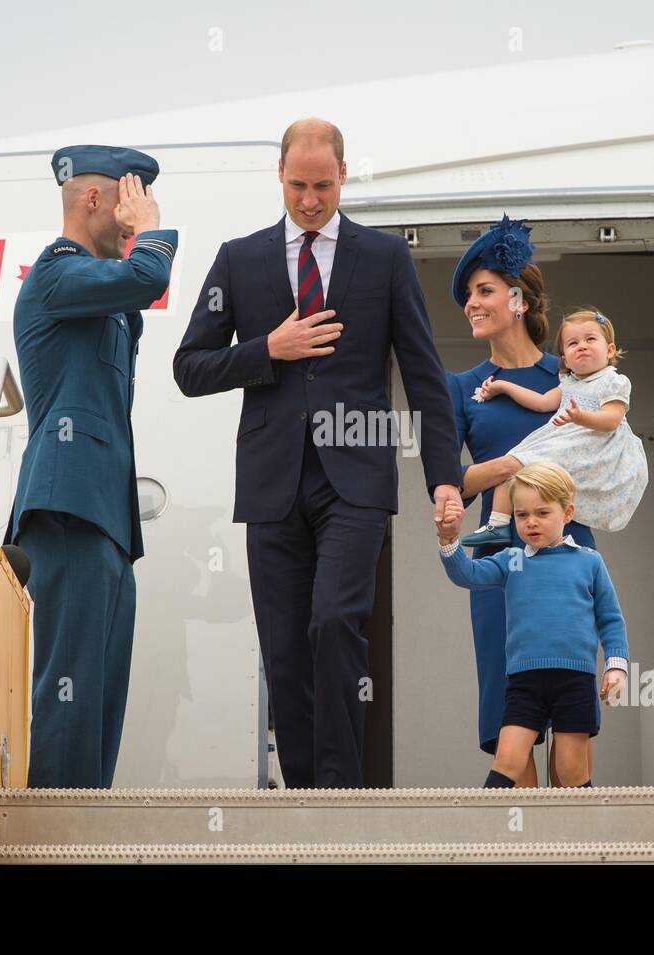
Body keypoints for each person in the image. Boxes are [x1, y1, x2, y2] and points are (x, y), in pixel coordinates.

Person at [172, 118, 463, 788]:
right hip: (272, 482)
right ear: (280, 175)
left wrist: (444, 479)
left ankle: (338, 794)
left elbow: (423, 373)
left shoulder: (384, 258)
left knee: (334, 622)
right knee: (283, 651)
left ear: (343, 175)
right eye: (299, 185)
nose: (310, 199)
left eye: (324, 185)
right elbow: (191, 367)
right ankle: (302, 797)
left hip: (354, 480)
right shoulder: (237, 259)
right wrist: (266, 350)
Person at [3, 145, 178, 788]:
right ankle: (54, 838)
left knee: (99, 696)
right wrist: (151, 230)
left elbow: (132, 301)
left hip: (104, 518)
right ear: (94, 199)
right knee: (67, 693)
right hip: (68, 506)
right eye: (128, 194)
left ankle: (82, 823)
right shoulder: (55, 271)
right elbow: (146, 280)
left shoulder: (100, 296)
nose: (136, 209)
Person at [446, 215, 600, 782]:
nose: (472, 304)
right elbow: (450, 483)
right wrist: (513, 466)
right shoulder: (461, 387)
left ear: (516, 299)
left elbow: (611, 445)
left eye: (483, 291)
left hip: (568, 552)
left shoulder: (573, 370)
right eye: (468, 295)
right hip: (497, 560)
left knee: (572, 726)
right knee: (511, 722)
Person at [436, 463, 629, 787]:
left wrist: (616, 666)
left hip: (575, 680)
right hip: (525, 682)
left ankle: (585, 835)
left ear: (567, 513)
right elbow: (466, 574)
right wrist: (448, 539)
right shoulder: (512, 559)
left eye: (542, 513)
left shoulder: (588, 561)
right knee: (508, 760)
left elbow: (610, 618)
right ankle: (481, 831)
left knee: (570, 770)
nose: (531, 522)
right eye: (522, 515)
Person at [460, 306, 648, 546]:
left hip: (591, 447)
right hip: (564, 441)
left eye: (590, 339)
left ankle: (524, 526)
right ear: (565, 359)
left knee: (519, 465)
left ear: (609, 350)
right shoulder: (568, 384)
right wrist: (504, 387)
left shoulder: (612, 381)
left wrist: (579, 417)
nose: (582, 345)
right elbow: (540, 403)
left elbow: (611, 420)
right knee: (516, 464)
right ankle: (497, 524)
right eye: (572, 343)